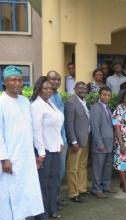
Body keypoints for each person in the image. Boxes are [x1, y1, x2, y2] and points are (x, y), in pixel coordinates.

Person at [0, 66, 43, 220]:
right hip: (9, 156)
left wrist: (34, 152)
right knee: (6, 191)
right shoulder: (1, 102)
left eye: (19, 79)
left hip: (25, 154)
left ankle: (19, 218)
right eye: (13, 80)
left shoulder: (25, 101)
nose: (17, 83)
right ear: (5, 82)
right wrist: (4, 158)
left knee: (22, 188)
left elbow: (29, 129)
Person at [31, 76, 64, 220]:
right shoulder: (36, 105)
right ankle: (41, 215)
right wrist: (41, 153)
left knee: (54, 181)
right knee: (42, 184)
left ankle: (52, 210)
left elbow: (57, 125)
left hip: (55, 149)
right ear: (39, 88)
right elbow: (36, 131)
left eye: (50, 88)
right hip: (43, 151)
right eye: (45, 88)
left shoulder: (50, 103)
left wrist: (61, 142)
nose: (49, 90)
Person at [65, 82, 90, 203]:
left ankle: (82, 188)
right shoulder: (71, 102)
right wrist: (73, 141)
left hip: (85, 139)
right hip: (76, 142)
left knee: (82, 166)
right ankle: (73, 193)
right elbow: (69, 124)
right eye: (80, 87)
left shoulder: (84, 102)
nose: (82, 90)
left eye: (85, 88)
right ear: (74, 89)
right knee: (72, 168)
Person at [89, 86, 117, 199]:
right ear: (100, 95)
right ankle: (96, 189)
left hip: (109, 144)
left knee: (107, 166)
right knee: (98, 168)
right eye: (104, 94)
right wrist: (100, 144)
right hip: (100, 145)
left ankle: (105, 185)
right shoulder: (95, 107)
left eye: (108, 95)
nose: (106, 97)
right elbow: (95, 127)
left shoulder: (108, 108)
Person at [47, 71, 68, 209]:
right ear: (47, 80)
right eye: (53, 79)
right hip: (52, 142)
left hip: (62, 139)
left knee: (60, 171)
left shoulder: (58, 96)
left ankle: (56, 197)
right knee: (52, 172)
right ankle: (51, 201)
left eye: (58, 79)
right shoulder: (45, 97)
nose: (56, 81)